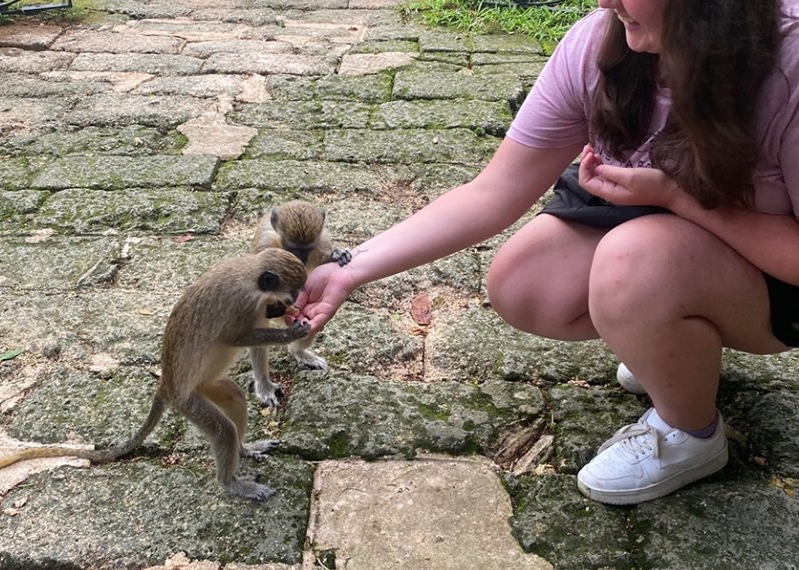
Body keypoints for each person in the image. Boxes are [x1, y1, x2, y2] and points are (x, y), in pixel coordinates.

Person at [291, 0, 799, 505]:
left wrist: (676, 196)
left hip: (774, 282)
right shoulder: (599, 43)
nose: (604, 2)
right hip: (665, 235)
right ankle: (672, 349)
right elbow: (493, 192)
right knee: (524, 282)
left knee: (634, 265)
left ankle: (690, 434)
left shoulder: (788, 63)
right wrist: (349, 269)